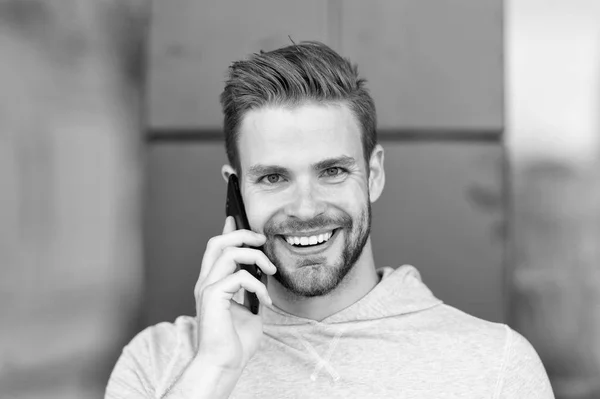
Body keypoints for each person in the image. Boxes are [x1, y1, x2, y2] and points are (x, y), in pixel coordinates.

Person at [105, 41, 554, 398]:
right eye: (273, 177)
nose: (305, 208)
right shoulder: (158, 362)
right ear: (235, 190)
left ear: (373, 174)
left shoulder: (494, 365)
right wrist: (214, 370)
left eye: (333, 171)